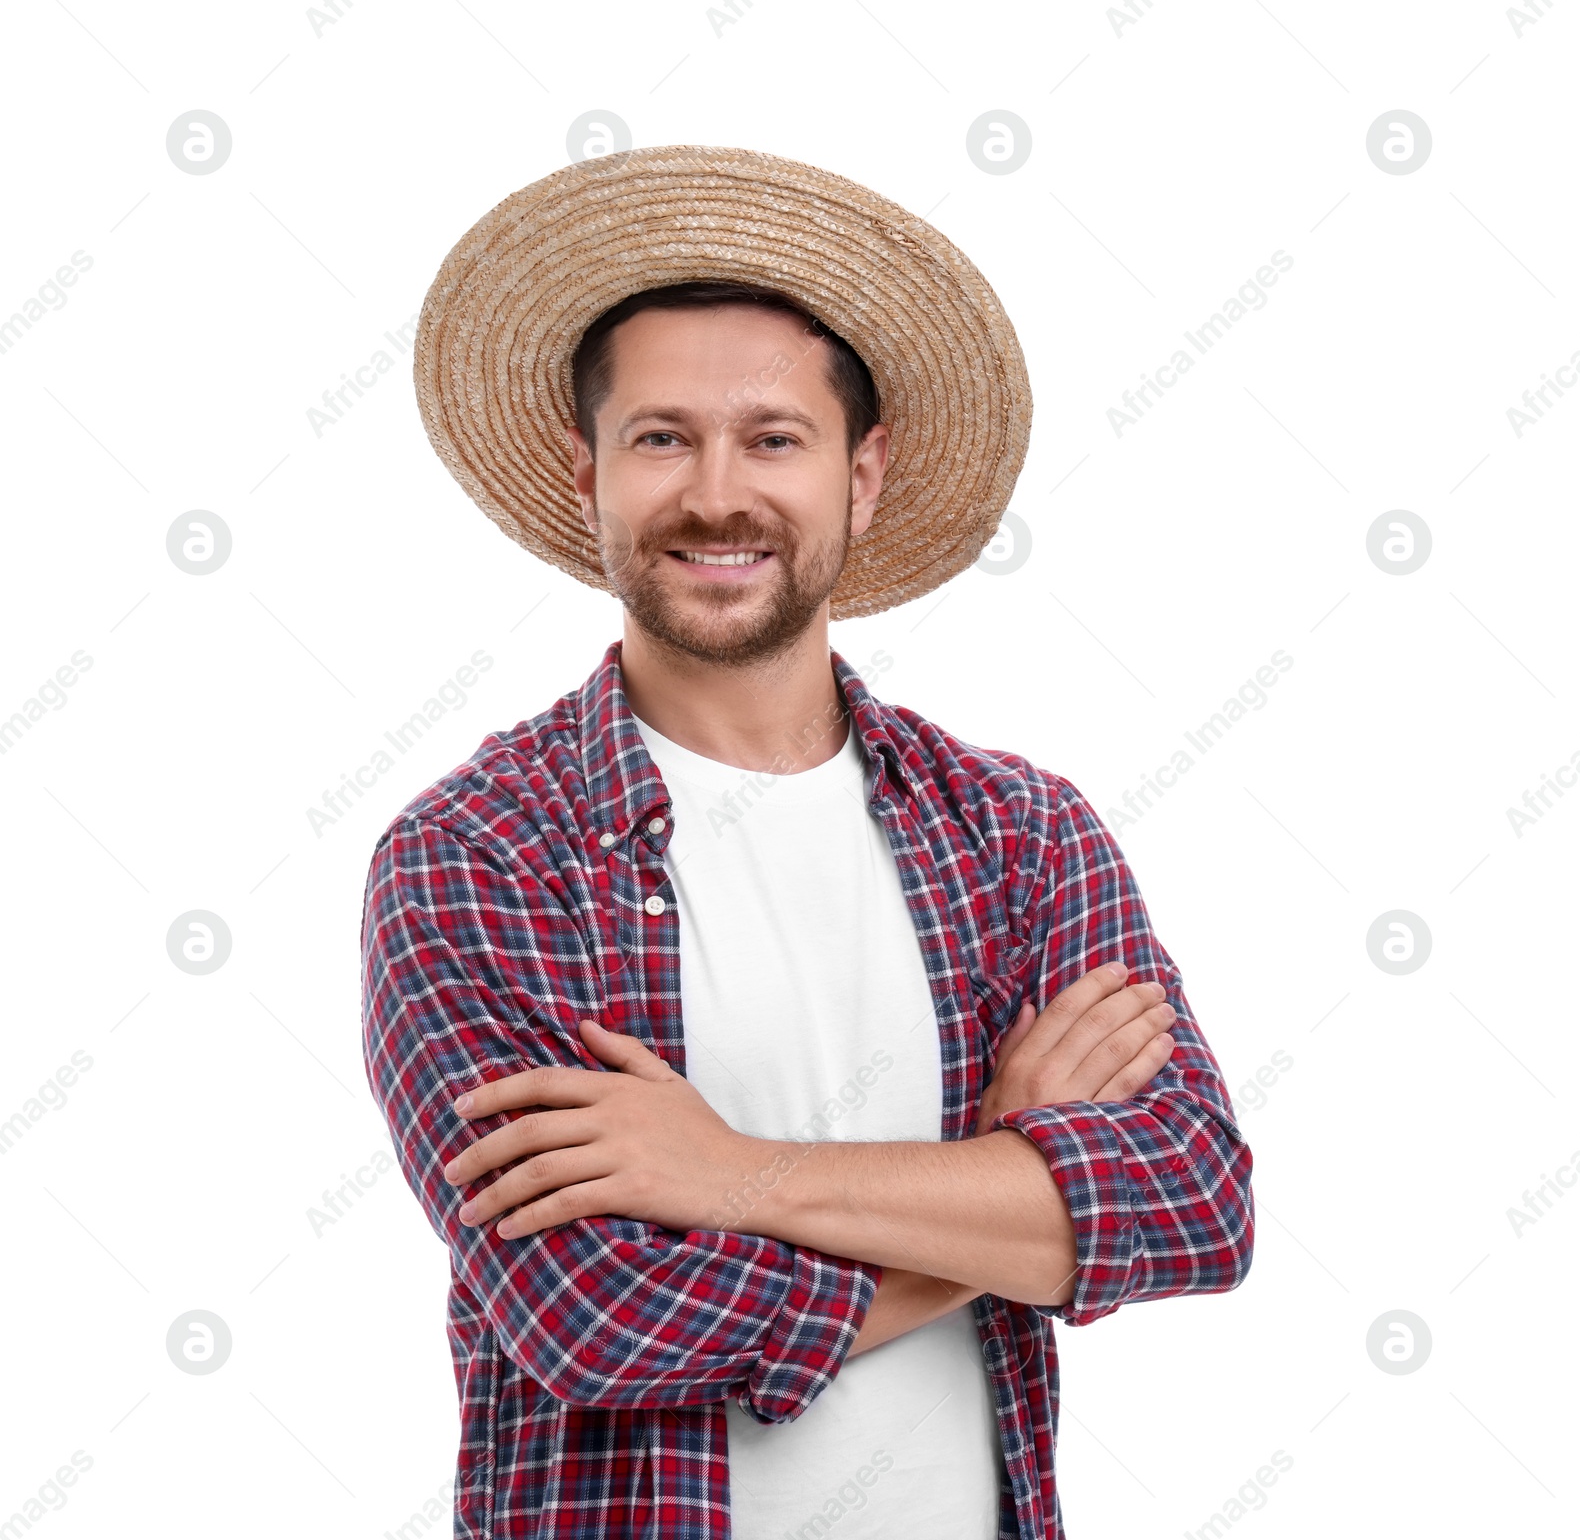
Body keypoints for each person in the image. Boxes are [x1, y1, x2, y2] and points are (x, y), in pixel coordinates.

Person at [361, 144, 1254, 1540]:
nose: (719, 494)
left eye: (774, 437)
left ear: (864, 474)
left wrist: (730, 1174)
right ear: (583, 467)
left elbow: (1191, 1201)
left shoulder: (1020, 832)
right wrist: (1009, 1182)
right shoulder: (480, 853)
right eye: (663, 437)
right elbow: (598, 1318)